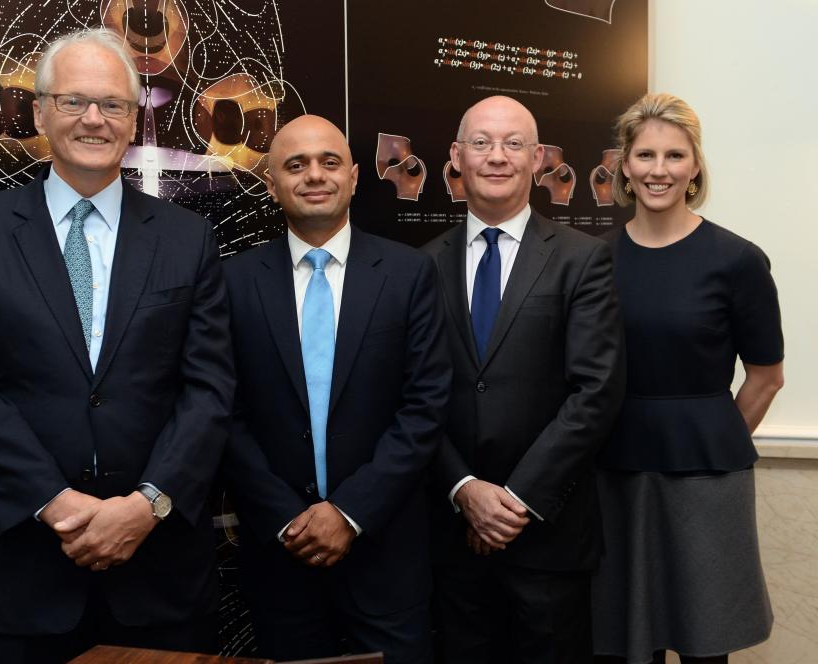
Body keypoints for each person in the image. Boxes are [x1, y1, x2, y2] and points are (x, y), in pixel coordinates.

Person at [0, 29, 234, 663]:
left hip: (160, 574)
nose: (93, 119)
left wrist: (146, 505)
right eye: (73, 102)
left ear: (134, 121)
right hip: (26, 572)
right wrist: (56, 503)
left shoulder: (188, 239)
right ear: (40, 112)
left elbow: (207, 390)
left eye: (113, 104)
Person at [222, 115, 450, 664]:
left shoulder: (408, 273)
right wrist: (287, 519)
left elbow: (424, 407)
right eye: (294, 165)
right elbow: (221, 412)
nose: (314, 176)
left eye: (328, 162)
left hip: (386, 549)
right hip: (282, 552)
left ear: (352, 177)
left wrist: (349, 511)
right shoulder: (232, 281)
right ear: (271, 184)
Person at [425, 95, 626, 663]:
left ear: (538, 159)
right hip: (451, 535)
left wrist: (513, 501)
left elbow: (596, 391)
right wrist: (465, 489)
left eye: (514, 144)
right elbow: (413, 396)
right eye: (482, 142)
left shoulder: (582, 260)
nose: (497, 156)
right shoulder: (421, 265)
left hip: (548, 535)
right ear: (455, 156)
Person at [591, 93, 784, 664]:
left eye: (674, 155)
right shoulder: (594, 261)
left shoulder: (737, 260)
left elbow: (766, 377)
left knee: (705, 643)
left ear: (695, 165)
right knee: (623, 643)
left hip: (707, 476)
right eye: (645, 155)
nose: (659, 170)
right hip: (613, 473)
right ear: (623, 164)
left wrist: (714, 437)